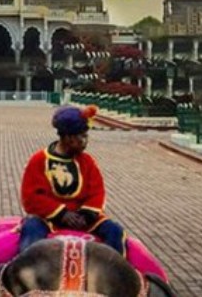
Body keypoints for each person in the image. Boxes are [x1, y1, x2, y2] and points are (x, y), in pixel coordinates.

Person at [18, 104, 128, 256]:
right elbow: (31, 197)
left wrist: (86, 215)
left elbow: (97, 192)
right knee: (31, 230)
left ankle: (114, 269)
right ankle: (28, 268)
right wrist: (62, 214)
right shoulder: (39, 160)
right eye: (81, 136)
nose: (85, 141)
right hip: (49, 219)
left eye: (86, 136)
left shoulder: (87, 162)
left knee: (115, 230)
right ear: (67, 137)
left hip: (83, 219)